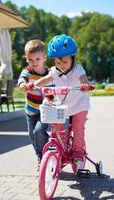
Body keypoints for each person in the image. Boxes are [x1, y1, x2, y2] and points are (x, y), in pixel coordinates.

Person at [34, 34, 91, 173]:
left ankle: (78, 151)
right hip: (63, 106)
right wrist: (34, 84)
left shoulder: (78, 69)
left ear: (73, 58)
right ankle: (61, 147)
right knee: (58, 128)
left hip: (79, 106)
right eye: (58, 63)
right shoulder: (54, 71)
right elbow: (45, 79)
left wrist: (85, 84)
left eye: (65, 62)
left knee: (78, 128)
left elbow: (83, 77)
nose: (61, 65)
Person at [18, 39, 51, 169]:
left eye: (37, 59)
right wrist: (23, 85)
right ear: (27, 59)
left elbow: (57, 84)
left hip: (45, 111)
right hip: (31, 110)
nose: (34, 63)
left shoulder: (50, 73)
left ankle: (44, 155)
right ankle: (40, 155)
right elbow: (21, 80)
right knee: (32, 134)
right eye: (30, 60)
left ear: (44, 58)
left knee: (38, 131)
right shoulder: (27, 71)